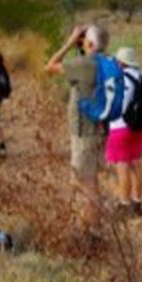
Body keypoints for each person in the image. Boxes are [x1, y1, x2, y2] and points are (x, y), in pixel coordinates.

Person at [45, 24, 111, 228]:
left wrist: (70, 41)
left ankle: (92, 230)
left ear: (89, 43)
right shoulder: (106, 63)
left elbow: (50, 66)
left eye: (84, 40)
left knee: (84, 182)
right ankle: (93, 223)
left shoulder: (84, 65)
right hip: (99, 129)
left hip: (85, 132)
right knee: (88, 179)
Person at [107, 46, 142, 217]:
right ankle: (137, 203)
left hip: (120, 127)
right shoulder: (140, 77)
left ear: (121, 62)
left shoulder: (119, 79)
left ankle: (124, 205)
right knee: (136, 163)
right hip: (138, 127)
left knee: (122, 167)